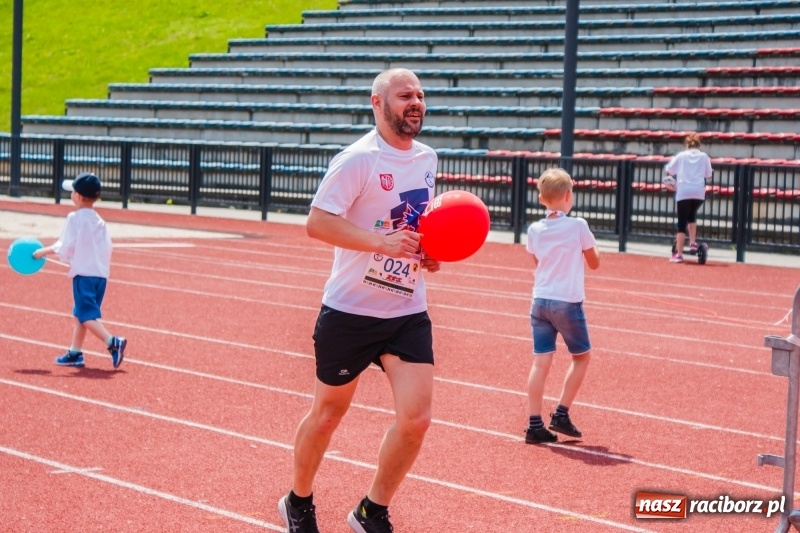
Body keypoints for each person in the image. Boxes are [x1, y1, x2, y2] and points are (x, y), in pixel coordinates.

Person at [277, 68, 440, 533]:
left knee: (417, 419)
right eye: (405, 95)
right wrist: (381, 244)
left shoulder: (427, 158)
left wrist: (428, 253)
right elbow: (317, 223)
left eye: (420, 96)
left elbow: (415, 224)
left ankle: (372, 510)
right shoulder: (357, 160)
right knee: (328, 415)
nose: (416, 103)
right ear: (377, 103)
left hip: (406, 311)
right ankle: (298, 500)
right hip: (350, 311)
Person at [524, 168, 600, 444]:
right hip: (567, 301)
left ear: (542, 199)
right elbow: (594, 262)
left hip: (540, 300)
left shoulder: (534, 229)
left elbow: (538, 262)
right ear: (568, 195)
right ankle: (561, 413)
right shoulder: (578, 225)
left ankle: (534, 424)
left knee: (541, 362)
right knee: (581, 357)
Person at [33, 172, 126, 369]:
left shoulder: (74, 217)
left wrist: (42, 252)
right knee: (80, 315)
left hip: (84, 275)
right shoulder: (99, 220)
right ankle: (75, 352)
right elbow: (107, 247)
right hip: (100, 276)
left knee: (85, 316)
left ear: (78, 196)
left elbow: (64, 245)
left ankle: (112, 342)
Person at [664, 133, 713, 263]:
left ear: (687, 145)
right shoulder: (704, 156)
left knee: (681, 223)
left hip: (684, 191)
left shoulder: (681, 156)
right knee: (692, 215)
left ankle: (679, 254)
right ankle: (692, 242)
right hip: (698, 192)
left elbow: (669, 169)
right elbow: (708, 175)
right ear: (698, 145)